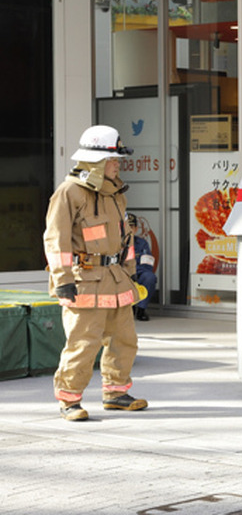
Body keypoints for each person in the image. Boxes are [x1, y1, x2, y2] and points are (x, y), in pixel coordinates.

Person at [43, 124, 148, 421]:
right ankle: (69, 400)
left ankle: (116, 393)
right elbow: (56, 240)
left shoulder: (115, 194)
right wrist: (62, 281)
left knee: (124, 340)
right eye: (114, 160)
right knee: (83, 344)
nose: (118, 165)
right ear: (97, 162)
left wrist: (131, 273)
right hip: (84, 282)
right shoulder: (69, 193)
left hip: (117, 281)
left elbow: (124, 238)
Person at [127, 212, 157, 322]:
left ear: (136, 228)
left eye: (131, 226)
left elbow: (146, 265)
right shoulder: (115, 244)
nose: (128, 229)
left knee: (149, 277)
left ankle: (141, 309)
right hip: (120, 275)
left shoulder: (142, 243)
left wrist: (134, 272)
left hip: (138, 273)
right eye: (126, 226)